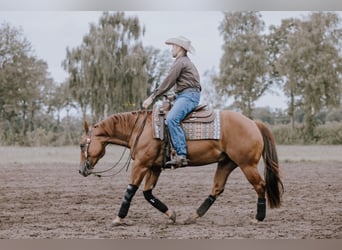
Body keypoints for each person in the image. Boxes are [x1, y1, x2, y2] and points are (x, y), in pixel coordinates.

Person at [142, 35, 201, 168]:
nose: (171, 49)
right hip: (185, 95)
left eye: (173, 46)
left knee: (172, 119)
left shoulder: (181, 62)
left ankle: (181, 155)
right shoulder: (183, 62)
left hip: (189, 96)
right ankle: (167, 152)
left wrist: (152, 97)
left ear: (180, 48)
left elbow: (168, 81)